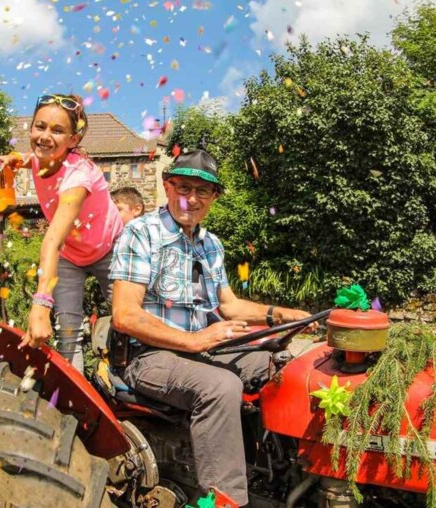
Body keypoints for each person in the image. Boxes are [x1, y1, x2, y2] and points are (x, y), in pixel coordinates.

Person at [109, 149, 317, 506]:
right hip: (148, 357)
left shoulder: (210, 244)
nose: (191, 199)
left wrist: (283, 315)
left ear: (214, 197)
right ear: (167, 186)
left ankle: (285, 478)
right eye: (183, 187)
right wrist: (193, 341)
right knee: (221, 386)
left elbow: (228, 305)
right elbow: (125, 315)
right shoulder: (141, 234)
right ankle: (224, 501)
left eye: (202, 191)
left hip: (202, 351)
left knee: (286, 368)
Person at [0, 93, 123, 371]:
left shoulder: (78, 177)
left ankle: (132, 377)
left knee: (126, 318)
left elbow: (52, 240)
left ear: (73, 140)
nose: (45, 136)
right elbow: (28, 158)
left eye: (57, 131)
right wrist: (10, 159)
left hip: (109, 249)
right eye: (40, 126)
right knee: (68, 332)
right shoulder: (40, 157)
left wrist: (41, 303)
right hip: (71, 255)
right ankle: (77, 393)